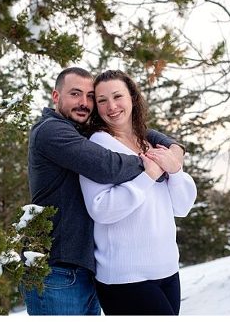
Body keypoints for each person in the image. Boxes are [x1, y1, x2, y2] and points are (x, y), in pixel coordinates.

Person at [22, 67, 184, 315]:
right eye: (75, 94)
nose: (84, 103)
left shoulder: (80, 129)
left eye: (89, 96)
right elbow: (106, 165)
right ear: (56, 96)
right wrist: (152, 162)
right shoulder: (51, 131)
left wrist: (173, 148)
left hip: (85, 269)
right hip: (57, 270)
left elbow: (138, 132)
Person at [79, 69, 196, 315]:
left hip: (167, 270)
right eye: (102, 100)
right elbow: (101, 209)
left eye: (117, 96)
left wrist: (175, 171)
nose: (111, 106)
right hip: (125, 277)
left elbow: (182, 207)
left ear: (132, 97)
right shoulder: (98, 146)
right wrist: (148, 176)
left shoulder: (150, 142)